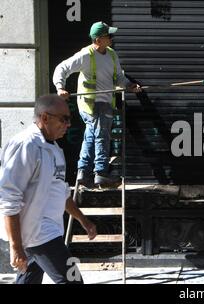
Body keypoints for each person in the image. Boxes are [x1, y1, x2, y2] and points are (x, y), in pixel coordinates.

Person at [0, 95, 97, 284]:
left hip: (45, 231)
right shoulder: (26, 145)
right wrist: (16, 246)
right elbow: (9, 196)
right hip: (39, 234)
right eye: (64, 119)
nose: (68, 124)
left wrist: (83, 220)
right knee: (73, 281)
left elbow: (61, 192)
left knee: (29, 280)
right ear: (45, 118)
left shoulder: (54, 149)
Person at [53, 21, 141, 187]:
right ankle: (101, 172)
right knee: (101, 134)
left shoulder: (112, 55)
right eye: (109, 36)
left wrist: (129, 85)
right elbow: (62, 68)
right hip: (90, 104)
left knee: (91, 134)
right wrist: (60, 87)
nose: (112, 38)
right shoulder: (86, 55)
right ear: (98, 40)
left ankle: (83, 171)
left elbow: (119, 78)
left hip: (106, 102)